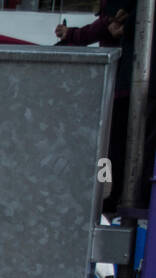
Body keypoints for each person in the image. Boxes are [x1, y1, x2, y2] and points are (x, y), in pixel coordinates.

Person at [56, 0, 154, 212]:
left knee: (109, 149)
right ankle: (112, 194)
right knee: (115, 150)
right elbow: (107, 26)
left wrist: (73, 35)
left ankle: (109, 194)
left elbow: (109, 26)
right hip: (126, 84)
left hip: (124, 85)